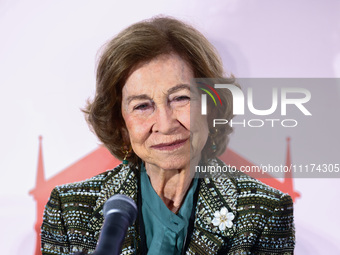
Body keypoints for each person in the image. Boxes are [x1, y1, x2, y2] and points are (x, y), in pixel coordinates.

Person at [41, 17, 295, 255]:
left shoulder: (265, 211)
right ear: (120, 123)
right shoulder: (70, 209)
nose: (165, 124)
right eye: (142, 106)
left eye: (180, 98)